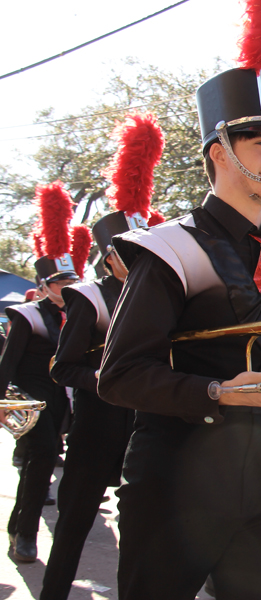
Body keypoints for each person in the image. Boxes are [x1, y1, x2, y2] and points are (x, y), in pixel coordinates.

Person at [97, 53, 261, 598]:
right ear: (219, 152)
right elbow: (120, 375)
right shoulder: (170, 248)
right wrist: (216, 393)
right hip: (174, 480)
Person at [40, 112, 166, 599]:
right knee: (73, 526)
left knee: (150, 533)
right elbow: (62, 366)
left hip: (147, 429)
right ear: (109, 255)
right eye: (129, 251)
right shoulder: (87, 297)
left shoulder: (161, 293)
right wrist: (112, 378)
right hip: (96, 431)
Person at [1, 183, 79, 563]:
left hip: (66, 401)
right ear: (44, 286)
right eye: (61, 283)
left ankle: (18, 526)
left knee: (46, 464)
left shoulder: (82, 314)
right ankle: (25, 534)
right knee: (42, 459)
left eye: (72, 282)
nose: (68, 288)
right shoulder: (27, 315)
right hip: (32, 401)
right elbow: (7, 363)